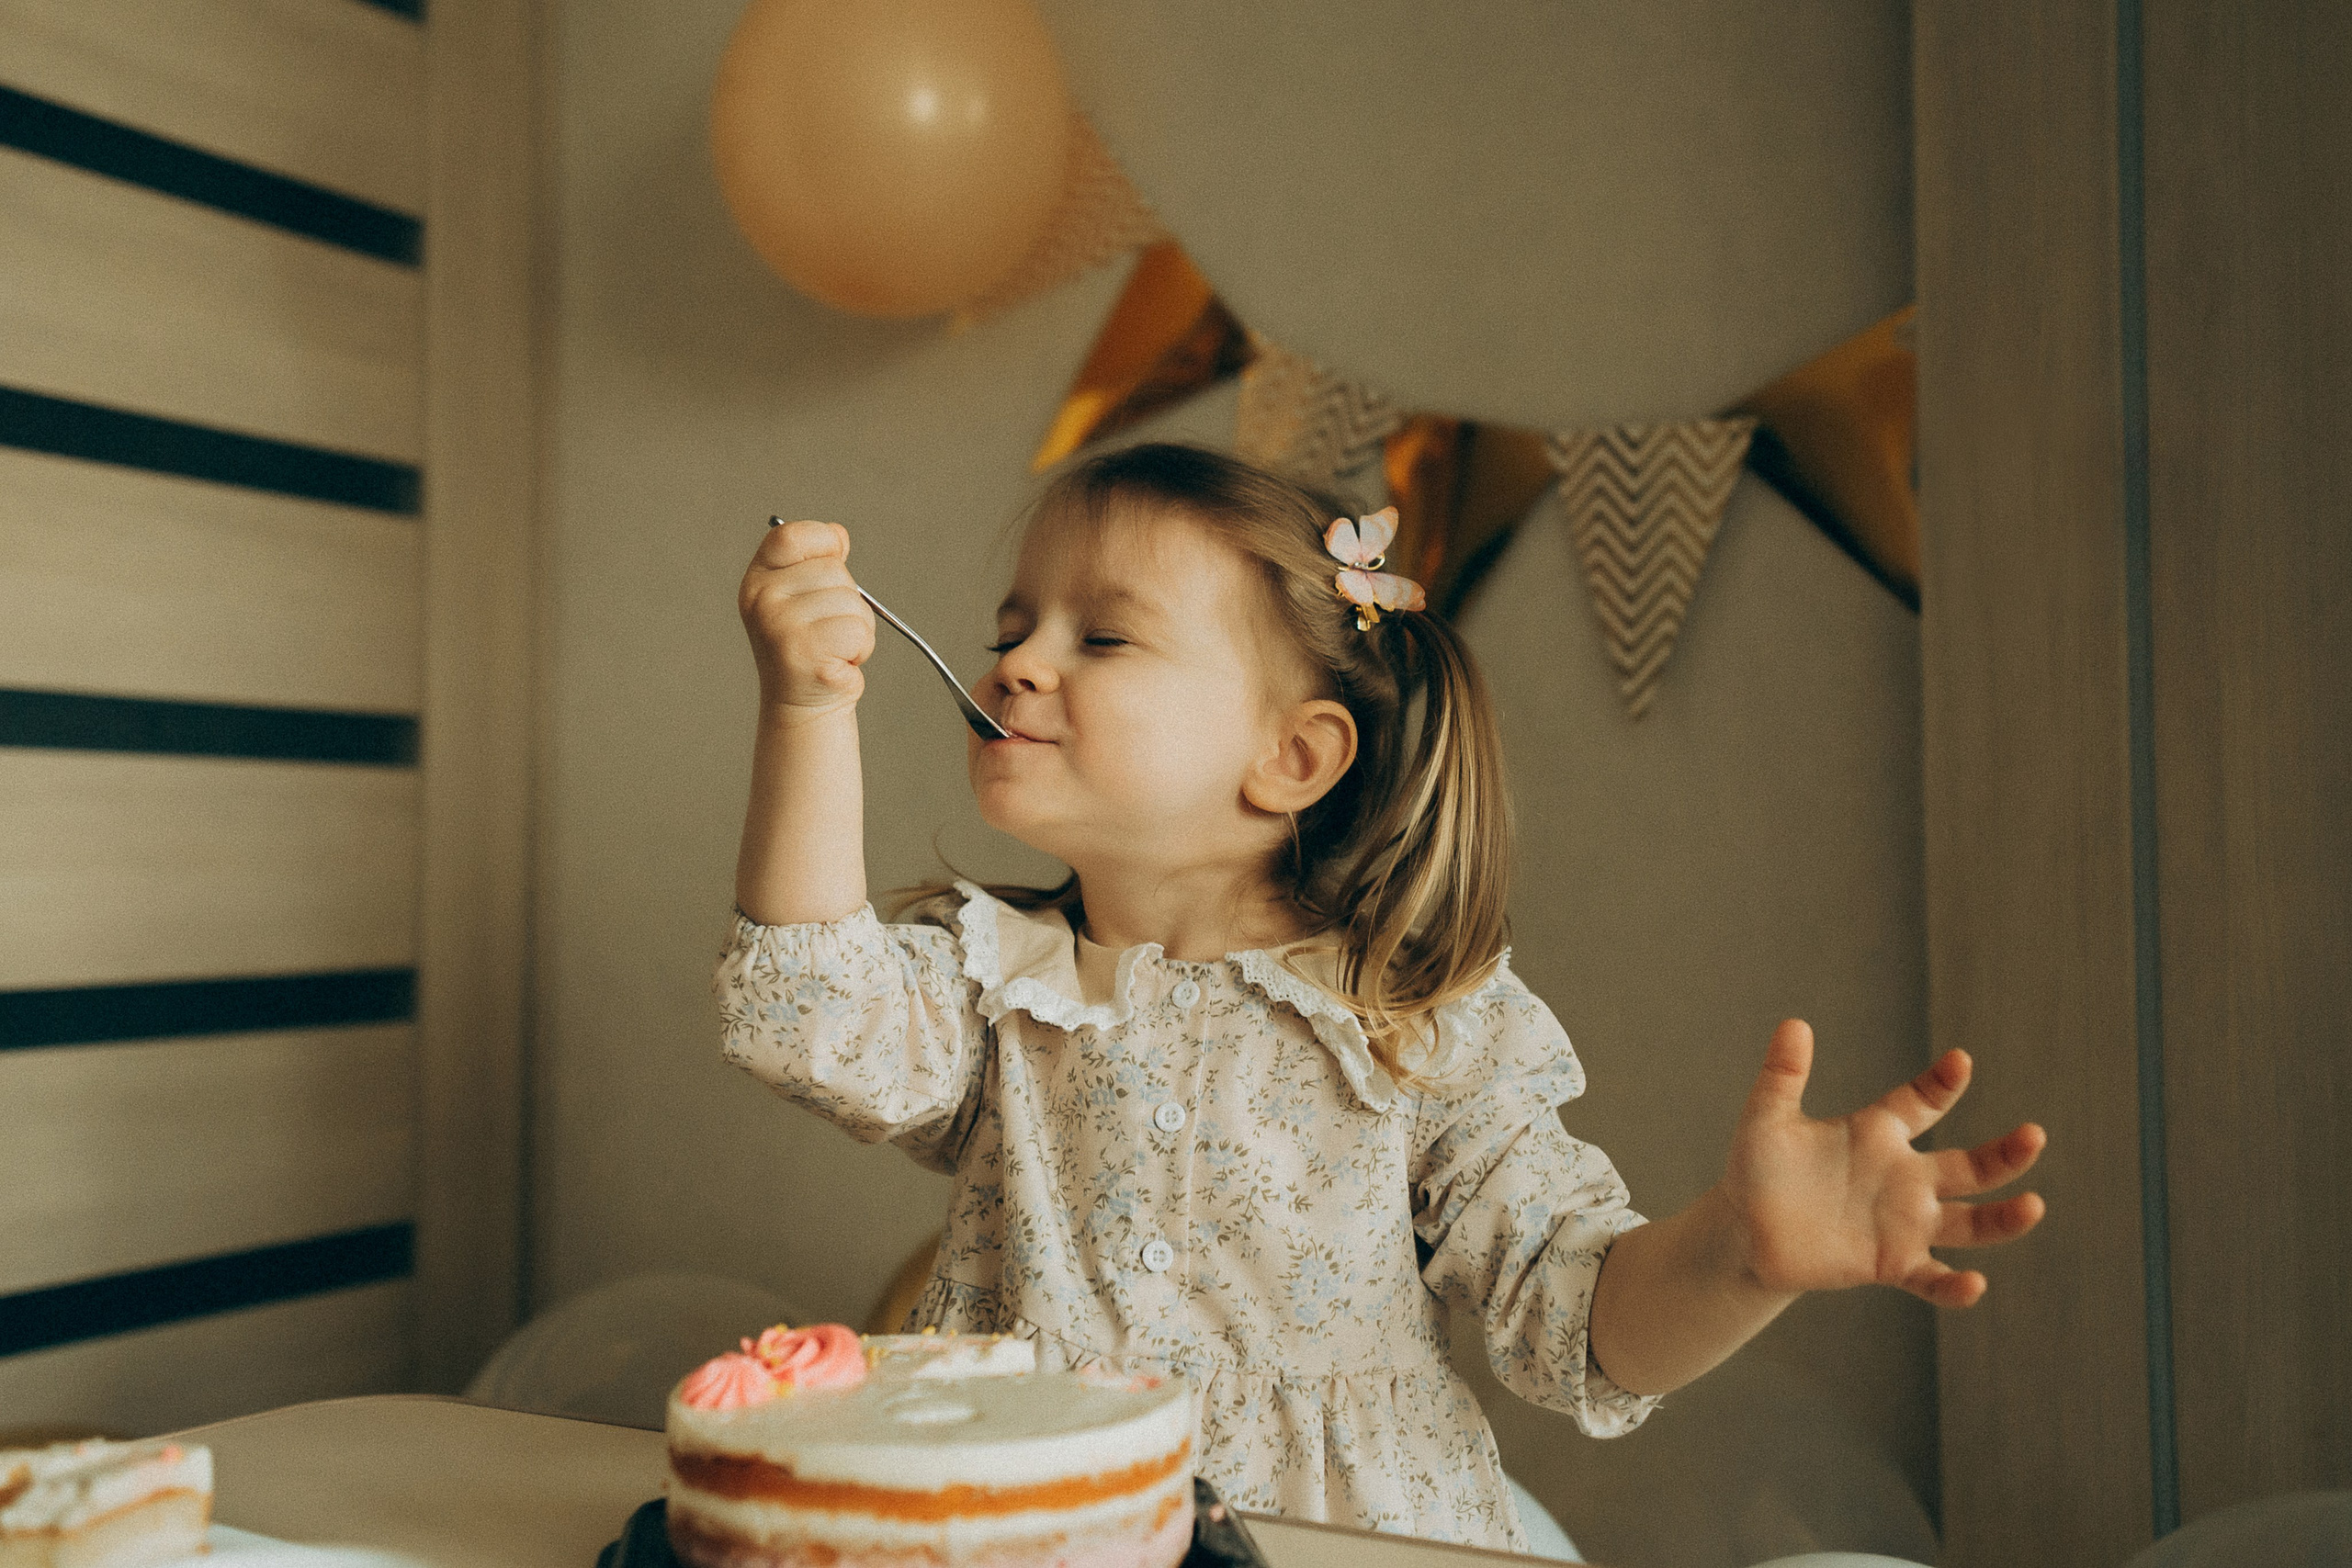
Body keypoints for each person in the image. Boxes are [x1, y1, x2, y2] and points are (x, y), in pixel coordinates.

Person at [718, 442, 2046, 1551]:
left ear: (1293, 756)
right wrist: (804, 710)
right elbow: (806, 1011)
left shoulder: (1421, 1026)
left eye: (1101, 637)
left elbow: (1576, 1320)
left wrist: (1741, 1255)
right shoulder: (996, 985)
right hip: (1036, 1529)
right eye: (1014, 630)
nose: (1016, 661)